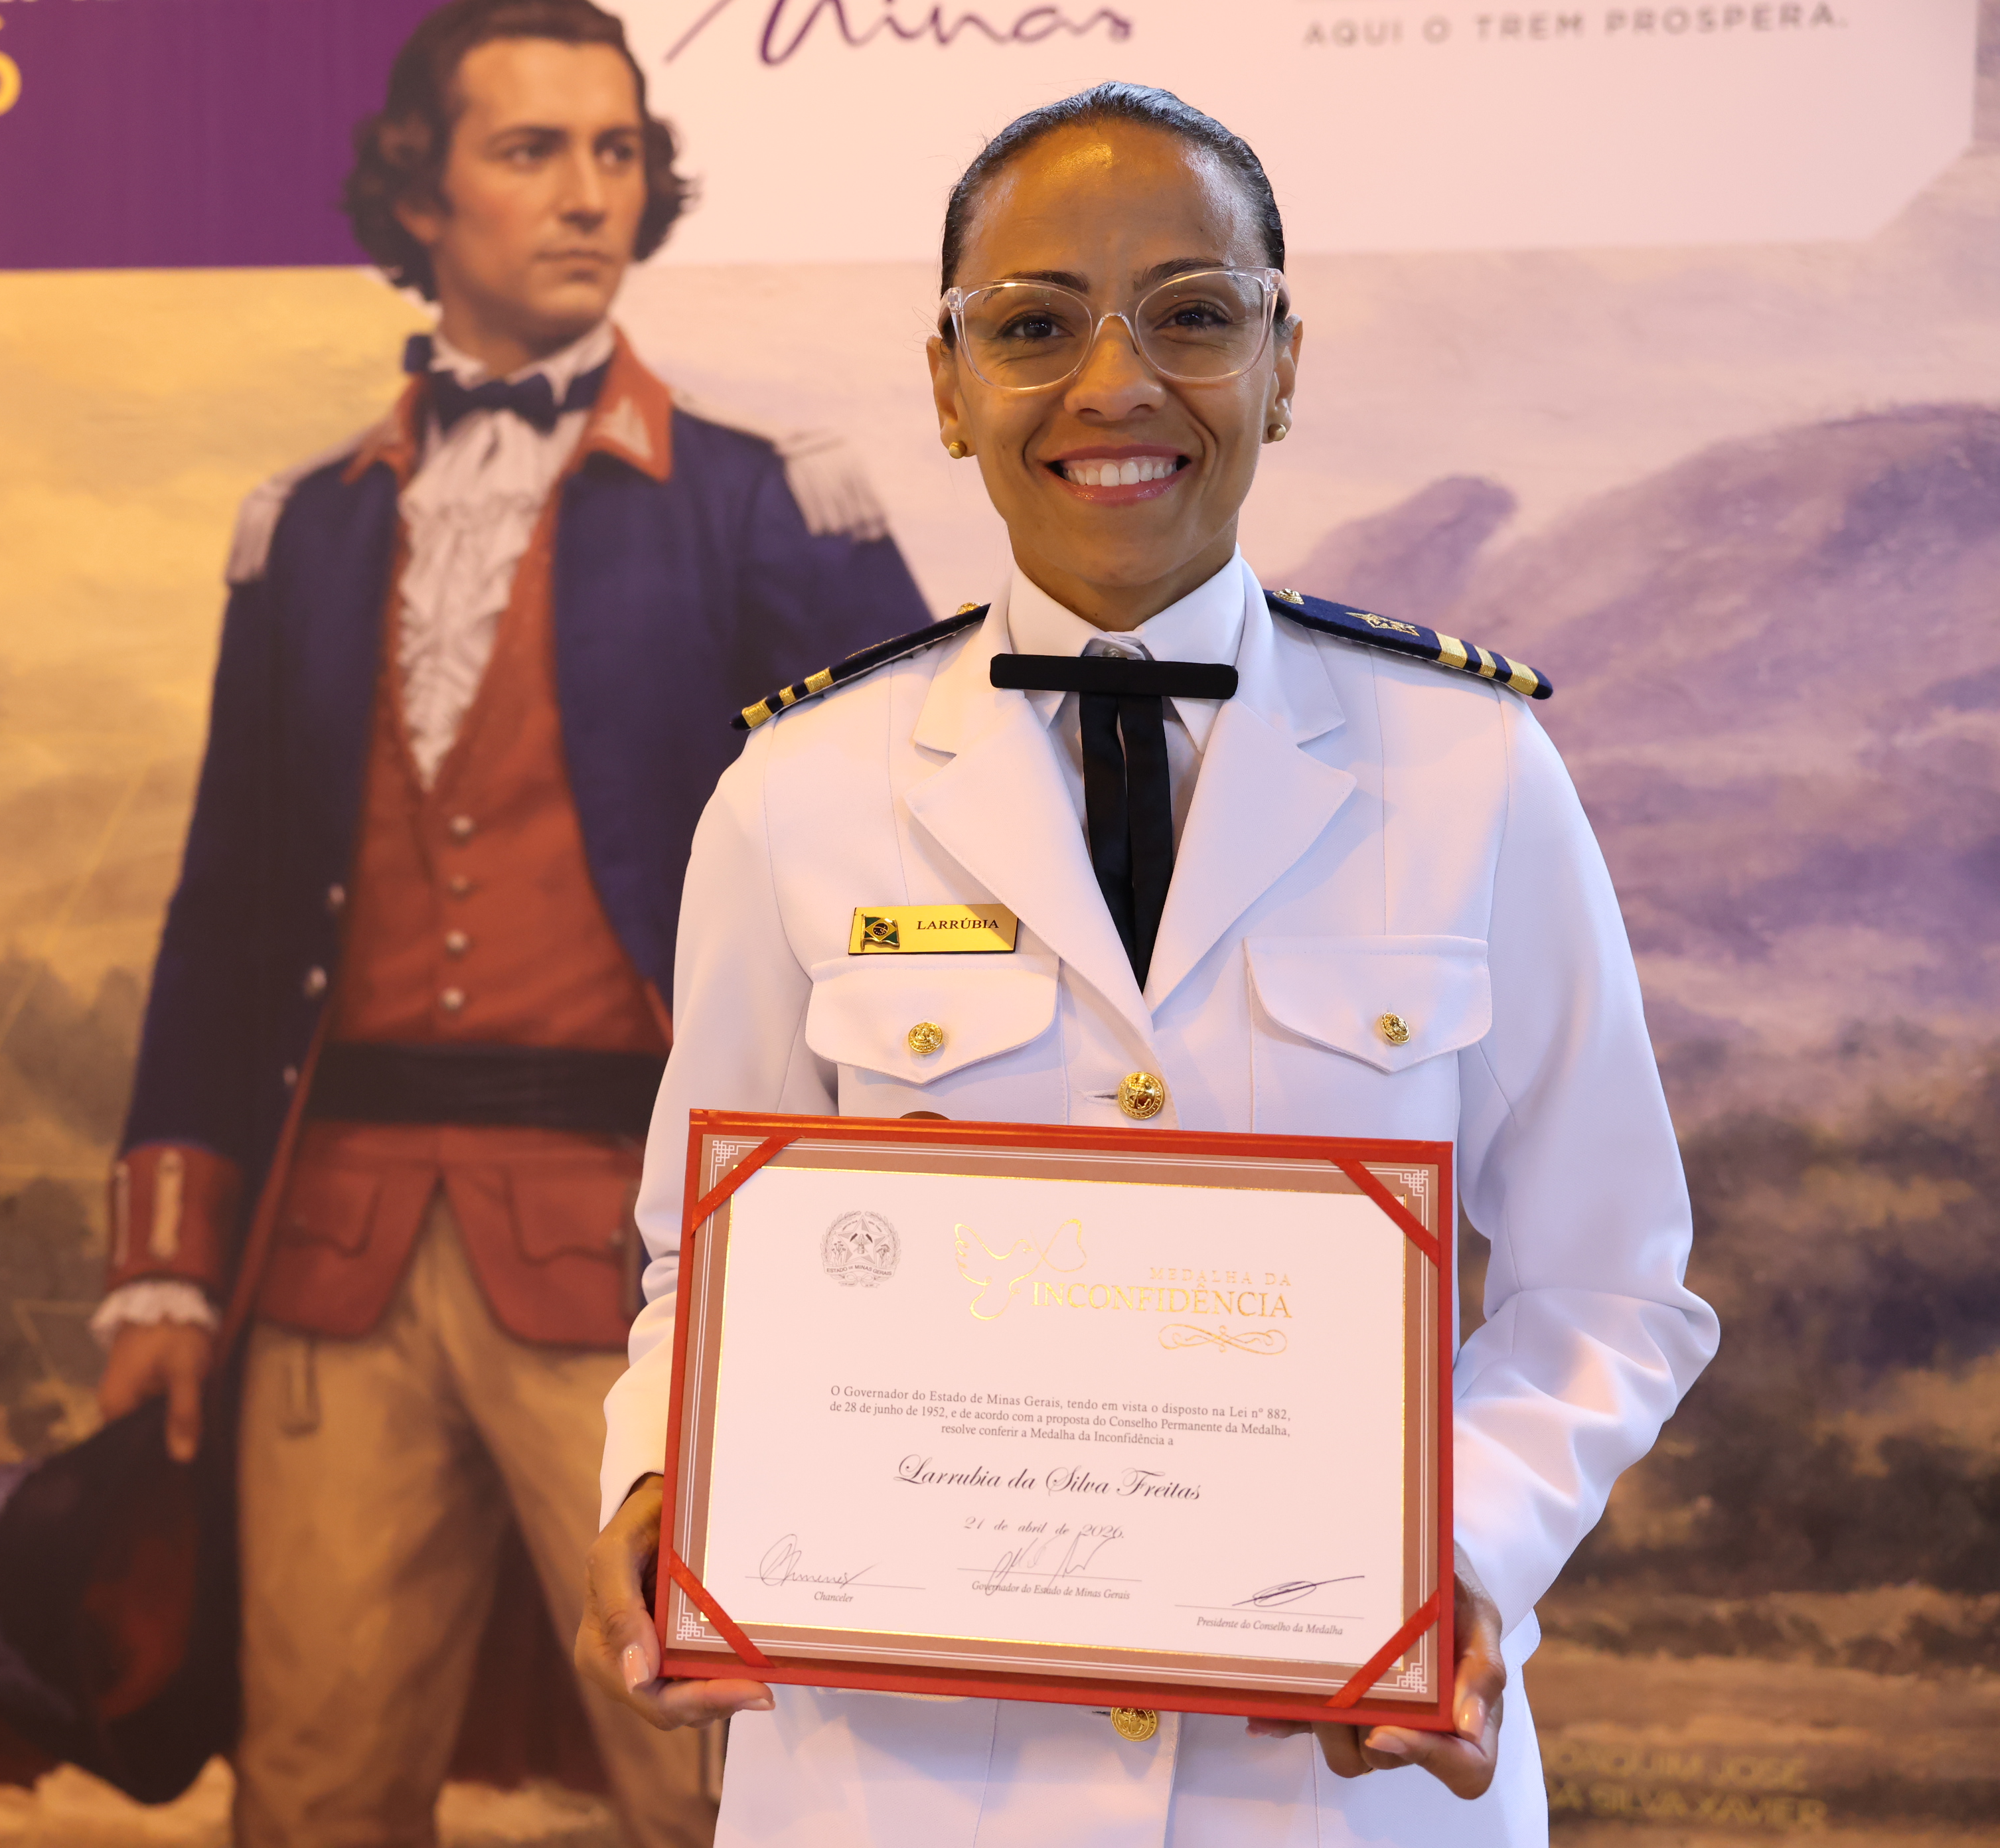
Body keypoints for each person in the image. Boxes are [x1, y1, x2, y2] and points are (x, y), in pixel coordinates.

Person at [573, 83, 1719, 1847]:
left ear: (1283, 362)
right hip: (905, 1783)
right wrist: (664, 1479)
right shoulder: (799, 792)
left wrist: (1459, 1558)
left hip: (1333, 1784)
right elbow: (703, 1264)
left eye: (1191, 314)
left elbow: (1611, 1281)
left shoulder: (1473, 771)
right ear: (948, 385)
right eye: (1034, 326)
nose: (1114, 384)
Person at [0, 1, 932, 1839]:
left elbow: (909, 888)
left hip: (645, 1260)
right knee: (318, 1787)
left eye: (618, 153)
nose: (589, 196)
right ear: (420, 195)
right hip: (333, 1263)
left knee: (715, 1779)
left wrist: (880, 1214)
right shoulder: (305, 534)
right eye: (533, 151)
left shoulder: (764, 509)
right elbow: (225, 916)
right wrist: (170, 1273)